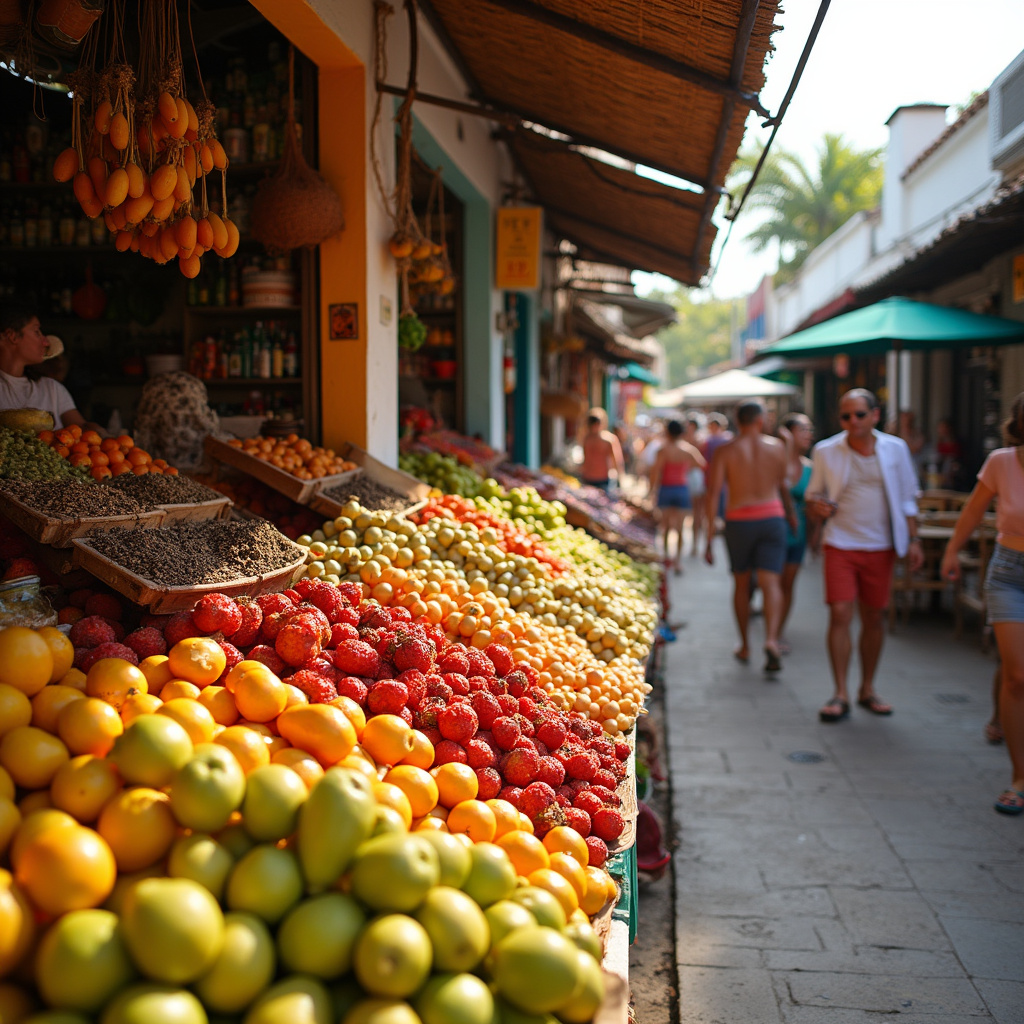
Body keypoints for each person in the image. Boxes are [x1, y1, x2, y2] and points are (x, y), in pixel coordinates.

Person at [806, 388, 923, 723]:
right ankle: (840, 692)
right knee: (840, 614)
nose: (852, 422)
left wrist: (913, 539)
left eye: (859, 414)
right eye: (846, 416)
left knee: (874, 617)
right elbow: (813, 496)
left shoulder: (895, 449)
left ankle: (867, 688)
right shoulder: (826, 450)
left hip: (882, 546)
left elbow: (907, 498)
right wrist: (816, 505)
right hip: (840, 543)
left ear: (875, 415)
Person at [940, 394, 1024, 815]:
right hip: (1009, 572)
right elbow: (973, 512)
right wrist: (952, 551)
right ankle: (1019, 778)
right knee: (1018, 675)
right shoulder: (1001, 462)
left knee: (1013, 669)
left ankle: (998, 715)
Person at [704, 400, 794, 673]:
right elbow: (784, 483)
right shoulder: (777, 447)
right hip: (772, 518)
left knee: (742, 584)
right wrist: (792, 515)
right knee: (771, 583)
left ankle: (744, 644)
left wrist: (708, 538)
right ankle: (771, 639)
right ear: (760, 420)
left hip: (739, 522)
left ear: (737, 421)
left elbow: (714, 494)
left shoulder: (725, 452)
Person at [0, 304, 101, 432]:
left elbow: (82, 429)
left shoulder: (51, 389)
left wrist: (106, 436)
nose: (46, 342)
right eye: (36, 332)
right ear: (12, 336)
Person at [778, 412, 816, 653]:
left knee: (788, 584)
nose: (809, 435)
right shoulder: (775, 462)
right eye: (803, 429)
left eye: (810, 430)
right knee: (771, 582)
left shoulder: (811, 468)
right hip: (773, 530)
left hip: (798, 534)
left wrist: (817, 534)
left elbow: (813, 504)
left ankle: (778, 631)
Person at [649, 419, 705, 575]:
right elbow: (701, 464)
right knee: (680, 529)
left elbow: (656, 472)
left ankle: (667, 558)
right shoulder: (688, 450)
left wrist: (651, 491)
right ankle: (678, 561)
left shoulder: (663, 450)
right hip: (682, 489)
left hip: (666, 489)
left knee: (666, 528)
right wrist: (685, 469)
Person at [580, 408, 625, 493]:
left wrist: (620, 479)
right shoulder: (586, 439)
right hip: (587, 477)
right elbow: (586, 458)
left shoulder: (609, 440)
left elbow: (617, 460)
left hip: (603, 479)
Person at [683, 415, 707, 556]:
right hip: (688, 477)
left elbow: (701, 463)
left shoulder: (700, 441)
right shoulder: (688, 441)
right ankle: (693, 545)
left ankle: (695, 544)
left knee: (697, 514)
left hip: (694, 477)